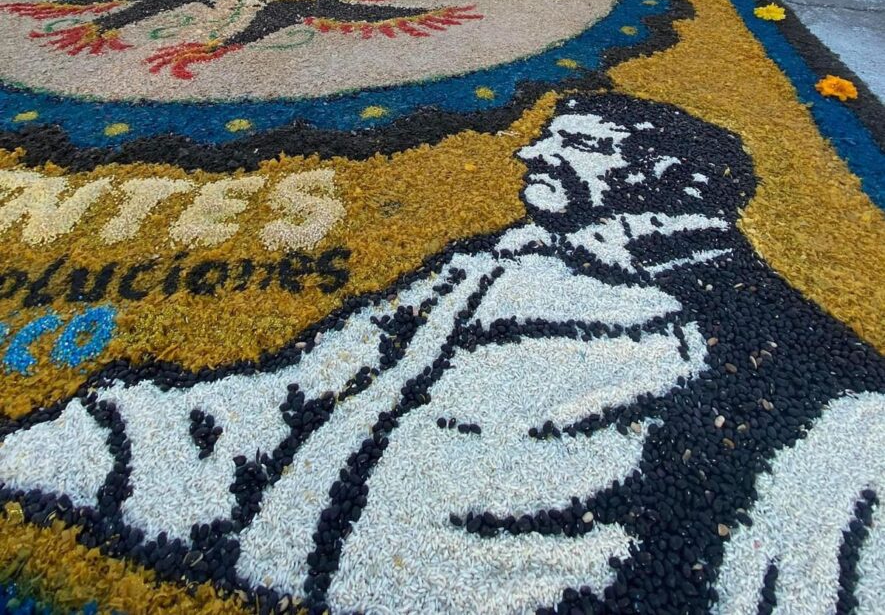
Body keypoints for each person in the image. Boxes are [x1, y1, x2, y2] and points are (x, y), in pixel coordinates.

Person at [4, 94, 881, 613]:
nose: (531, 150)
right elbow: (289, 398)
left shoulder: (786, 363)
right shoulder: (487, 264)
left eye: (575, 144)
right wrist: (85, 444)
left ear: (668, 185)